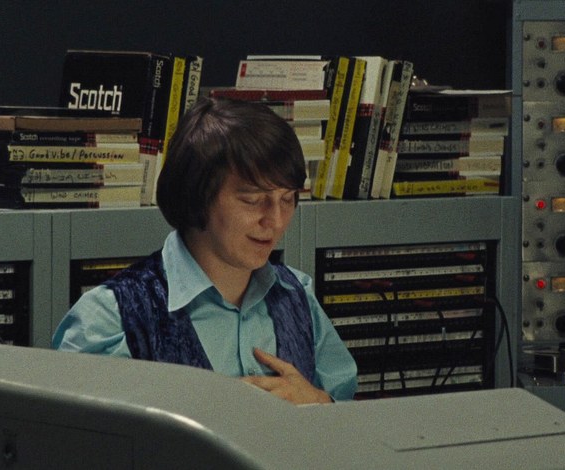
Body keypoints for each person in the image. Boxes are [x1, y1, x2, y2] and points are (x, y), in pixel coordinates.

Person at [52, 97, 357, 404]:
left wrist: (320, 404)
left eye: (287, 199)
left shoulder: (298, 295)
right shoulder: (108, 320)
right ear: (197, 195)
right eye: (252, 200)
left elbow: (348, 419)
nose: (276, 221)